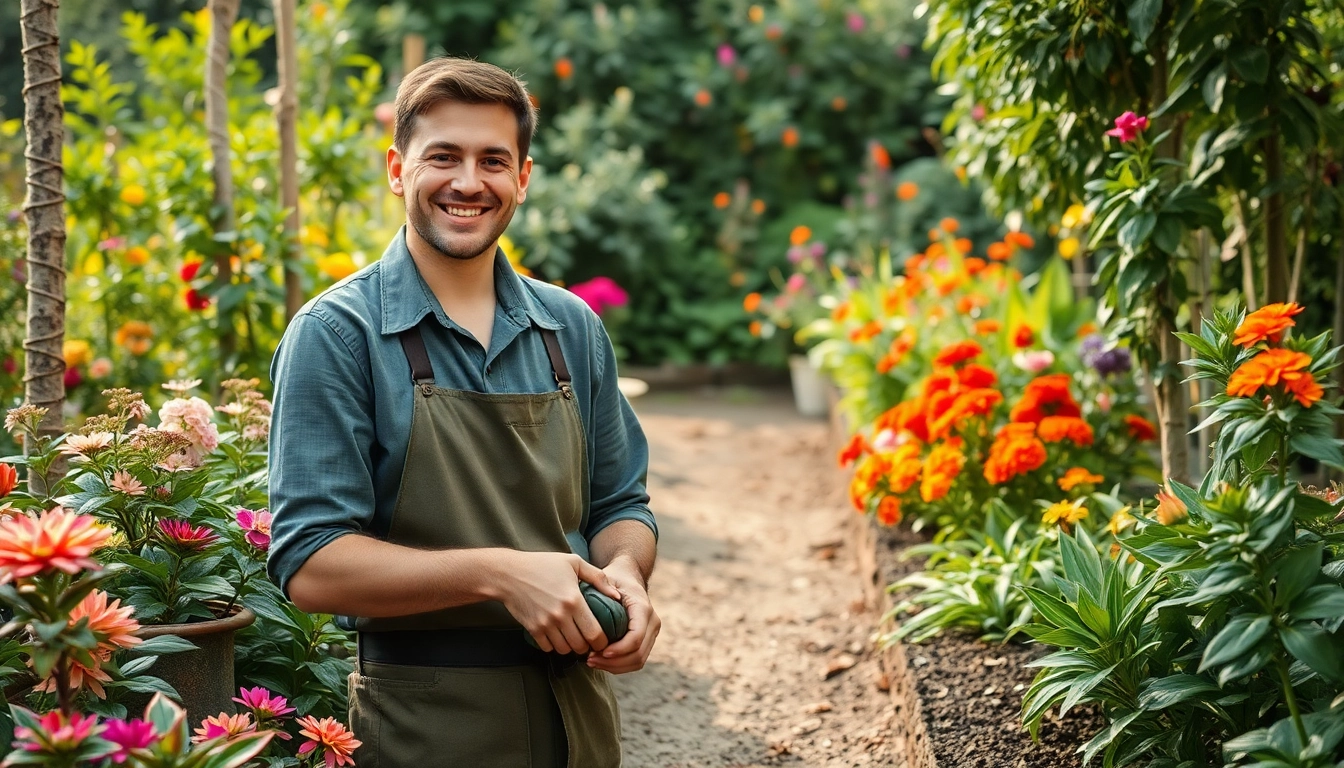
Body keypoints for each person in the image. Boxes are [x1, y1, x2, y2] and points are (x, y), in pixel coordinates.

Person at [266, 56, 660, 767]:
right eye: (443, 156)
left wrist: (627, 574)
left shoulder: (571, 328)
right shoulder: (338, 335)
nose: (469, 182)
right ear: (397, 168)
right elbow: (310, 561)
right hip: (426, 722)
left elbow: (621, 503)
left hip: (580, 719)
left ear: (523, 178)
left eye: (493, 160)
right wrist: (500, 573)